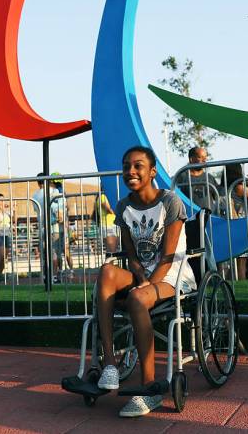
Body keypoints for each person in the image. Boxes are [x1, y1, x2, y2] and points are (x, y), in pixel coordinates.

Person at [95, 146, 196, 418]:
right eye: (126, 165)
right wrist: (140, 278)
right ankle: (111, 365)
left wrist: (148, 285)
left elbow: (168, 256)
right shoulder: (123, 206)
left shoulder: (171, 202)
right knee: (106, 271)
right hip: (145, 276)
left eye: (138, 166)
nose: (130, 171)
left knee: (138, 298)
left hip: (173, 276)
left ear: (152, 172)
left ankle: (149, 389)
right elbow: (131, 256)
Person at [176, 147, 223, 213]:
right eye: (200, 157)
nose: (204, 160)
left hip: (209, 218)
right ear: (191, 159)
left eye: (205, 158)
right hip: (190, 217)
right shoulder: (181, 177)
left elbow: (218, 197)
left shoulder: (209, 177)